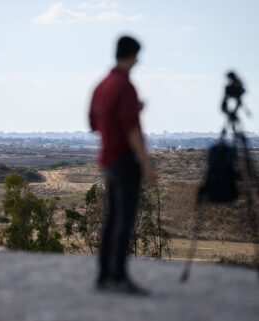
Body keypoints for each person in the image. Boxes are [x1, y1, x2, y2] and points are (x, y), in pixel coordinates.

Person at [89, 35, 158, 295]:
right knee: (124, 220)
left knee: (112, 218)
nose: (138, 60)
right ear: (131, 55)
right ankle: (119, 276)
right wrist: (146, 163)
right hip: (125, 160)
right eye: (137, 55)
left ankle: (104, 275)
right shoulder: (125, 86)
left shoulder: (102, 85)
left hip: (107, 158)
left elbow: (95, 123)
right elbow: (131, 130)